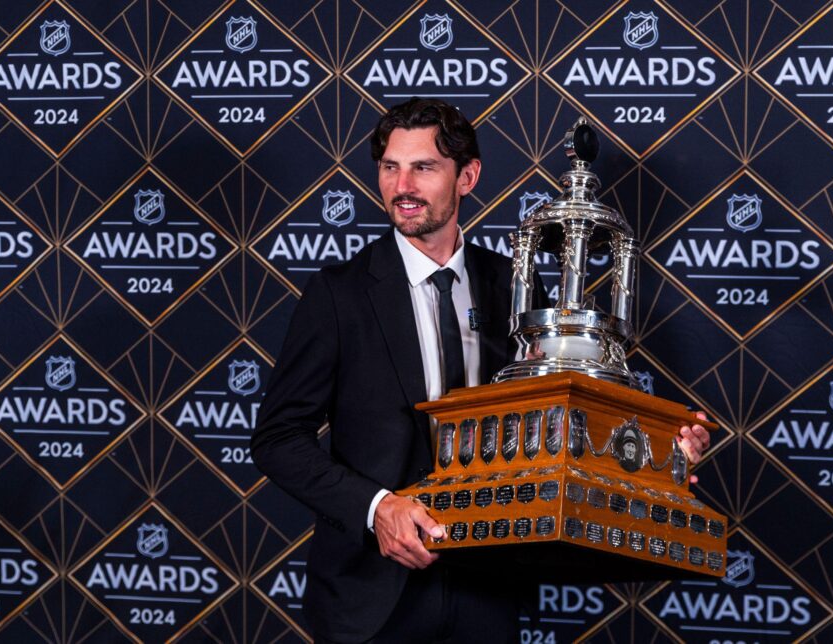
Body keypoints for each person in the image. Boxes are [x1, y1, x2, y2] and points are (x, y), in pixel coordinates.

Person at [250, 97, 711, 644]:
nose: (403, 187)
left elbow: (555, 427)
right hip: (371, 595)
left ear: (467, 176)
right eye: (390, 167)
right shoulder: (338, 294)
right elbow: (278, 438)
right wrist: (377, 509)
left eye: (423, 167)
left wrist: (657, 463)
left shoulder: (509, 287)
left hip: (489, 588)